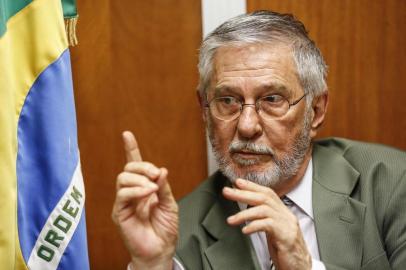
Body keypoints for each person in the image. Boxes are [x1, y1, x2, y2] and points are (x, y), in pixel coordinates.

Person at [111, 10, 406, 270]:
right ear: (204, 109)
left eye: (272, 99)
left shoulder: (392, 184)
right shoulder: (176, 229)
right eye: (228, 100)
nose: (247, 126)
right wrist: (151, 265)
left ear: (316, 110)